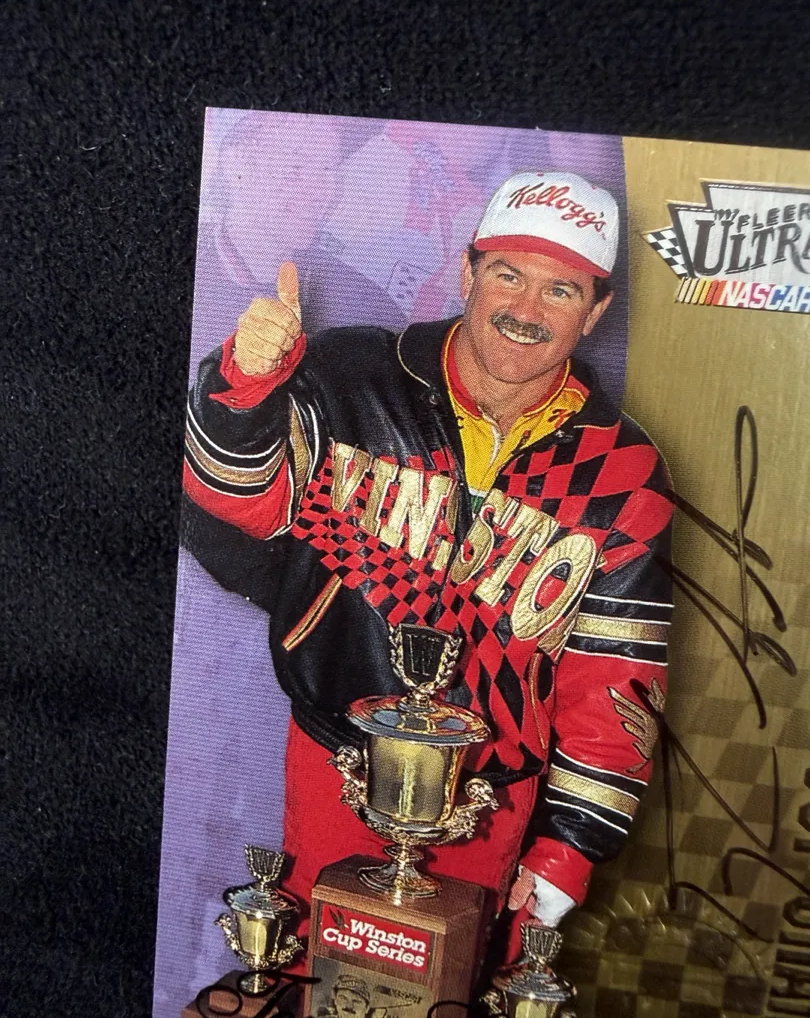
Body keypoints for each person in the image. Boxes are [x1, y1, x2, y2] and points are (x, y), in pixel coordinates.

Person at [182, 171, 674, 958]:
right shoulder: (352, 375)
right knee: (315, 975)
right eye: (508, 274)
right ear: (466, 272)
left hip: (491, 797)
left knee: (453, 988)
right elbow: (234, 501)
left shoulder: (624, 470)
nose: (526, 309)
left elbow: (615, 678)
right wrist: (245, 383)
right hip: (338, 757)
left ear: (596, 311)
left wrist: (569, 849)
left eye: (561, 290)